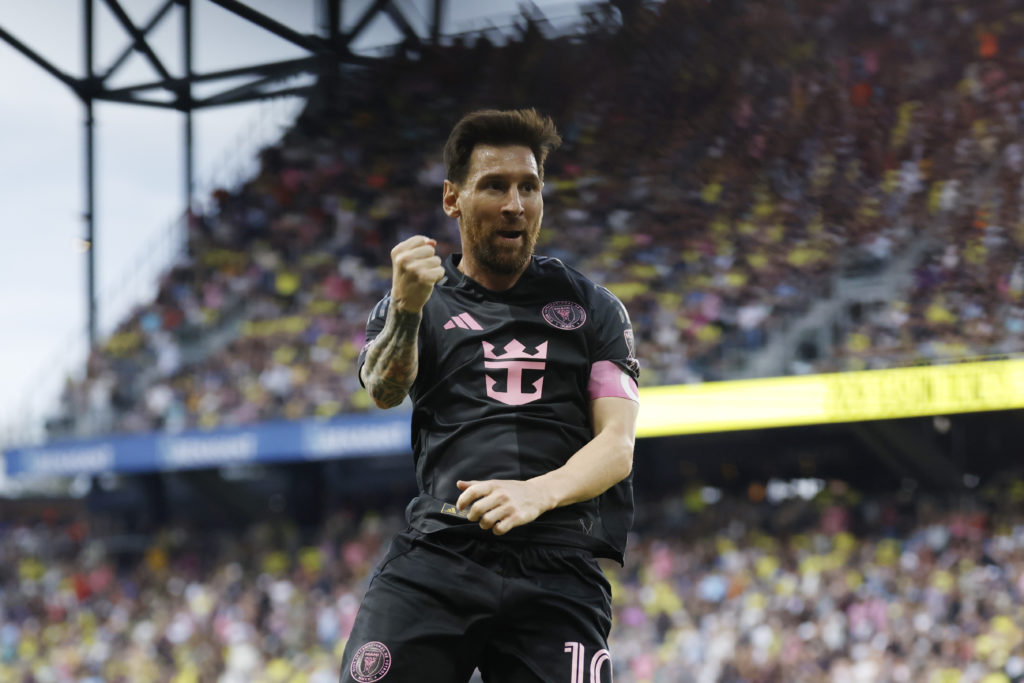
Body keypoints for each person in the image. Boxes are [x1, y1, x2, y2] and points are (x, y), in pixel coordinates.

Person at [341, 108, 640, 683]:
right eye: (495, 186)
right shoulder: (417, 302)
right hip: (442, 549)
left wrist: (536, 493)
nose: (515, 205)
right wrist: (405, 310)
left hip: (557, 561)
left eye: (529, 186)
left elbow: (617, 445)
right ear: (452, 199)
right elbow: (383, 389)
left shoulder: (595, 308)